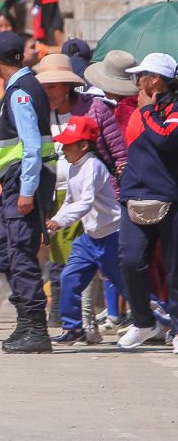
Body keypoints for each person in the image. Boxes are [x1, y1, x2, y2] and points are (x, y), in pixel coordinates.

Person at [0, 31, 57, 353]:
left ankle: (36, 328)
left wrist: (27, 191)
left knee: (20, 253)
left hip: (23, 182)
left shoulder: (19, 93)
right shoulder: (24, 87)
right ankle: (24, 321)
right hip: (17, 182)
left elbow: (31, 146)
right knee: (6, 252)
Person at [45, 116, 125, 345]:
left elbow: (86, 202)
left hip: (111, 235)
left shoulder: (93, 166)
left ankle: (161, 319)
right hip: (90, 238)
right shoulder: (74, 168)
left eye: (69, 143)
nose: (64, 147)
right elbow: (70, 201)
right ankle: (73, 329)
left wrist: (60, 222)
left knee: (126, 285)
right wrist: (55, 223)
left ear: (84, 145)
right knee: (69, 277)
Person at [117, 53, 178, 351]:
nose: (136, 81)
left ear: (155, 79)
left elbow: (167, 139)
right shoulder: (142, 109)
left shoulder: (168, 108)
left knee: (174, 268)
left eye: (139, 75)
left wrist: (147, 112)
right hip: (134, 196)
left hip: (169, 197)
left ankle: (177, 329)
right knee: (130, 260)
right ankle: (143, 322)